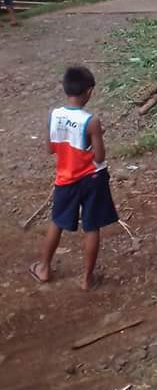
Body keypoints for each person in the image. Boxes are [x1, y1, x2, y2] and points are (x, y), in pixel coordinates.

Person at [29, 66, 118, 290]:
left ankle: (44, 268)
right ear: (89, 91)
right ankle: (87, 279)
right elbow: (99, 156)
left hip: (66, 179)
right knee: (92, 226)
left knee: (57, 222)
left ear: (65, 88)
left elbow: (50, 149)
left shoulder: (54, 114)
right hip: (92, 179)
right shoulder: (92, 121)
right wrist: (96, 137)